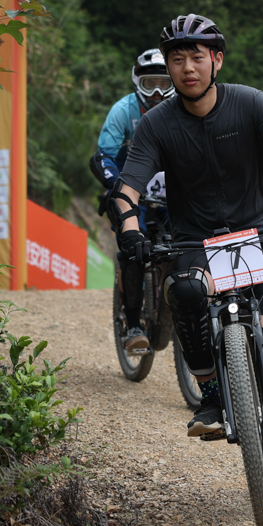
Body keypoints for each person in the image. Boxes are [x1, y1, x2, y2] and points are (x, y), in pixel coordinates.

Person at [110, 13, 263, 459]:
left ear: (217, 60)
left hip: (259, 235)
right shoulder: (157, 125)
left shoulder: (250, 104)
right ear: (167, 68)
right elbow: (126, 190)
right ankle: (210, 395)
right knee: (185, 292)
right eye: (177, 59)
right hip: (194, 242)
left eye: (197, 57)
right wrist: (130, 232)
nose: (187, 68)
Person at [90, 49, 174, 352]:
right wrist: (116, 186)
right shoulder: (123, 110)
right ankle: (134, 323)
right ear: (137, 81)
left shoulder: (183, 107)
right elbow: (103, 156)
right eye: (150, 83)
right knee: (133, 249)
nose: (156, 92)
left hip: (171, 192)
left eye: (164, 83)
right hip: (132, 193)